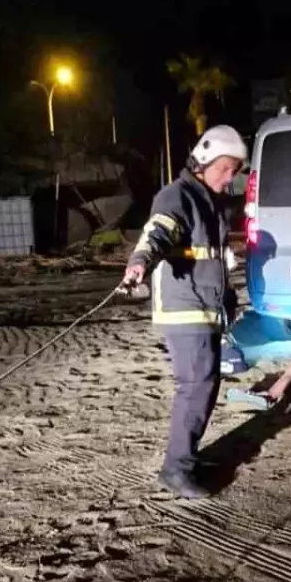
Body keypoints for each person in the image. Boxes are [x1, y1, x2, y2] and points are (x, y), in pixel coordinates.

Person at [122, 124, 248, 497]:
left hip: (204, 306)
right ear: (204, 159)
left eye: (235, 171)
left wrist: (227, 300)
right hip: (184, 307)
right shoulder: (176, 195)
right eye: (225, 168)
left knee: (204, 385)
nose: (229, 179)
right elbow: (158, 232)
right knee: (196, 386)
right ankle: (176, 469)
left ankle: (186, 458)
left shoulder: (209, 201)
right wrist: (140, 261)